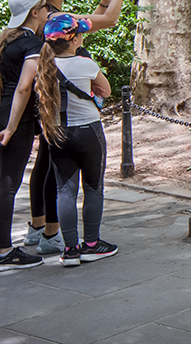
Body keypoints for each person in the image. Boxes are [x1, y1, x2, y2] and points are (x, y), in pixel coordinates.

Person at [20, 0, 127, 253]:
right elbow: (109, 19)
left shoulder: (50, 19)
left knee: (48, 167)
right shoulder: (58, 19)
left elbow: (95, 16)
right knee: (78, 183)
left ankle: (44, 231)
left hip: (54, 113)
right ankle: (63, 236)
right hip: (80, 120)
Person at [35, 14, 117, 266]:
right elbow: (106, 90)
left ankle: (70, 249)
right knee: (93, 187)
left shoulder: (43, 66)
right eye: (79, 33)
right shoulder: (85, 64)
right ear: (73, 40)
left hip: (58, 133)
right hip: (88, 131)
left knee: (64, 191)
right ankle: (91, 244)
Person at [0, 0, 49, 271]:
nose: (47, 11)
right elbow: (23, 89)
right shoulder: (32, 44)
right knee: (8, 184)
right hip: (13, 120)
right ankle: (5, 253)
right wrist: (11, 127)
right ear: (34, 12)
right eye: (44, 6)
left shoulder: (3, 40)